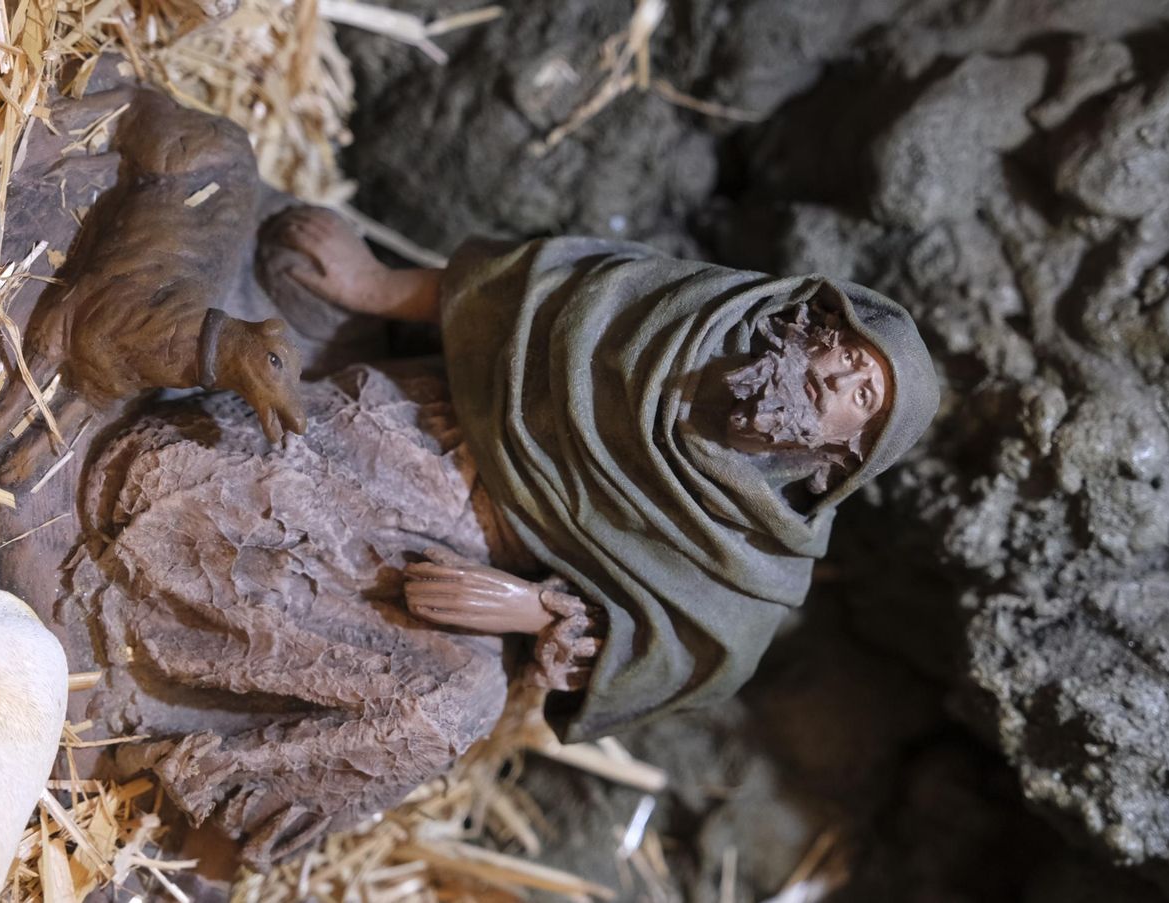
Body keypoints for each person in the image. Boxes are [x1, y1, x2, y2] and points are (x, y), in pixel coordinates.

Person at [263, 207, 939, 741]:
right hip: (438, 426)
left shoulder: (760, 567)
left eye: (863, 397)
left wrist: (532, 610)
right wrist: (373, 284)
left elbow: (682, 660)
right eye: (847, 351)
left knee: (420, 706)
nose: (838, 378)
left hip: (480, 564)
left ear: (850, 454)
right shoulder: (679, 317)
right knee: (277, 453)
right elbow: (522, 293)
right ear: (817, 321)